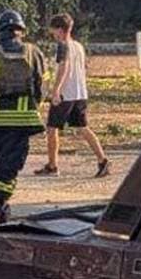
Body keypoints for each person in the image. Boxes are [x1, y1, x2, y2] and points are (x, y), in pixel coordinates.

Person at [0, 9, 47, 225]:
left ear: (0, 31)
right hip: (22, 119)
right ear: (21, 30)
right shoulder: (34, 52)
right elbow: (40, 86)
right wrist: (34, 107)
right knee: (10, 167)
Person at [39, 12, 108, 179]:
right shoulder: (79, 46)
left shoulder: (63, 46)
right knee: (83, 127)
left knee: (51, 128)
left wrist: (56, 90)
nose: (52, 34)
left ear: (60, 30)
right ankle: (102, 159)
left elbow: (64, 68)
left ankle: (52, 165)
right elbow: (82, 67)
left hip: (66, 94)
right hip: (80, 93)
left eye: (53, 30)